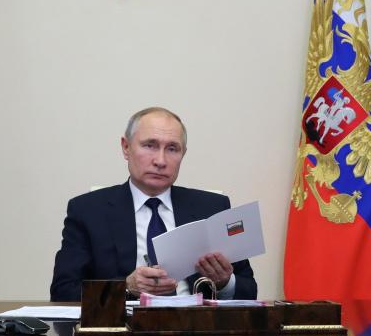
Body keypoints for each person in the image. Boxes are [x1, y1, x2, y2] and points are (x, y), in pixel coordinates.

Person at [50, 107, 257, 301]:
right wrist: (125, 287)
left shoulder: (212, 207)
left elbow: (250, 290)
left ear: (183, 154)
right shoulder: (88, 211)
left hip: (194, 329)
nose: (160, 160)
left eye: (172, 149)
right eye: (150, 145)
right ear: (126, 147)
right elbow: (62, 292)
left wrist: (224, 283)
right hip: (124, 330)